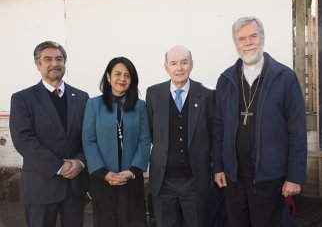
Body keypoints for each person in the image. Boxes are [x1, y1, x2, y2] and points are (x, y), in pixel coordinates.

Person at [212, 16, 307, 227]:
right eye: (242, 38)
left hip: (270, 177)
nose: (248, 42)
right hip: (233, 177)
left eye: (253, 36)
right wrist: (218, 166)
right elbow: (218, 129)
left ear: (262, 38)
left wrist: (294, 176)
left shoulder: (284, 77)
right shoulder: (225, 80)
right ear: (235, 43)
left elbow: (297, 131)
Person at [9, 41, 90, 227]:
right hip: (41, 185)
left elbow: (89, 136)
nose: (55, 63)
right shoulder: (22, 98)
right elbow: (23, 139)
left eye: (59, 59)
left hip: (74, 186)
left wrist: (80, 161)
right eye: (48, 59)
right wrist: (58, 166)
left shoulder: (82, 97)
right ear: (38, 64)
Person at [146, 45, 214, 227]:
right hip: (163, 182)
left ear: (191, 65)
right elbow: (151, 133)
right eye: (173, 63)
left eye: (184, 62)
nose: (179, 68)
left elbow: (214, 134)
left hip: (195, 181)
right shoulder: (153, 94)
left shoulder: (207, 95)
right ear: (165, 66)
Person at [82, 57, 151, 227]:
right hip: (102, 176)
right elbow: (88, 140)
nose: (122, 79)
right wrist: (103, 172)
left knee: (134, 220)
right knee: (105, 220)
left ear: (132, 80)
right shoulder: (93, 104)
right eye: (117, 74)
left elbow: (145, 140)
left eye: (127, 75)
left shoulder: (140, 106)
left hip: (131, 176)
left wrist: (132, 170)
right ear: (108, 77)